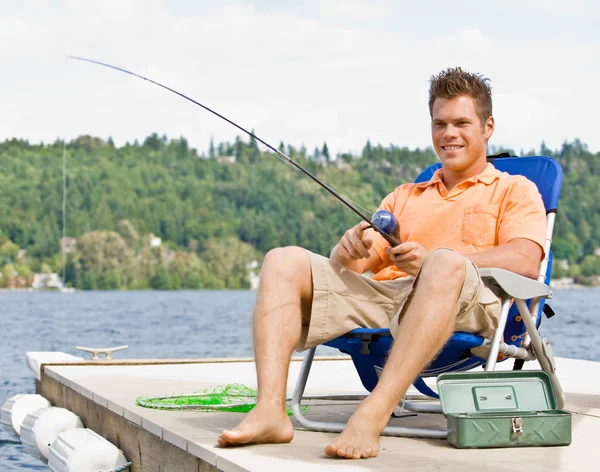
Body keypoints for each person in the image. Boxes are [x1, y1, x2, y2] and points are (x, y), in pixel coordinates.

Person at [217, 67, 547, 459]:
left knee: (441, 263)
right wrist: (348, 249)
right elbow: (355, 269)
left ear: (487, 126)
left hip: (473, 302)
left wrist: (440, 262)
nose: (449, 133)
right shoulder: (405, 196)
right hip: (392, 300)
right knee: (282, 260)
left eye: (461, 122)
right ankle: (270, 411)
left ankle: (372, 415)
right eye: (439, 123)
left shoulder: (514, 189)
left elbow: (526, 259)